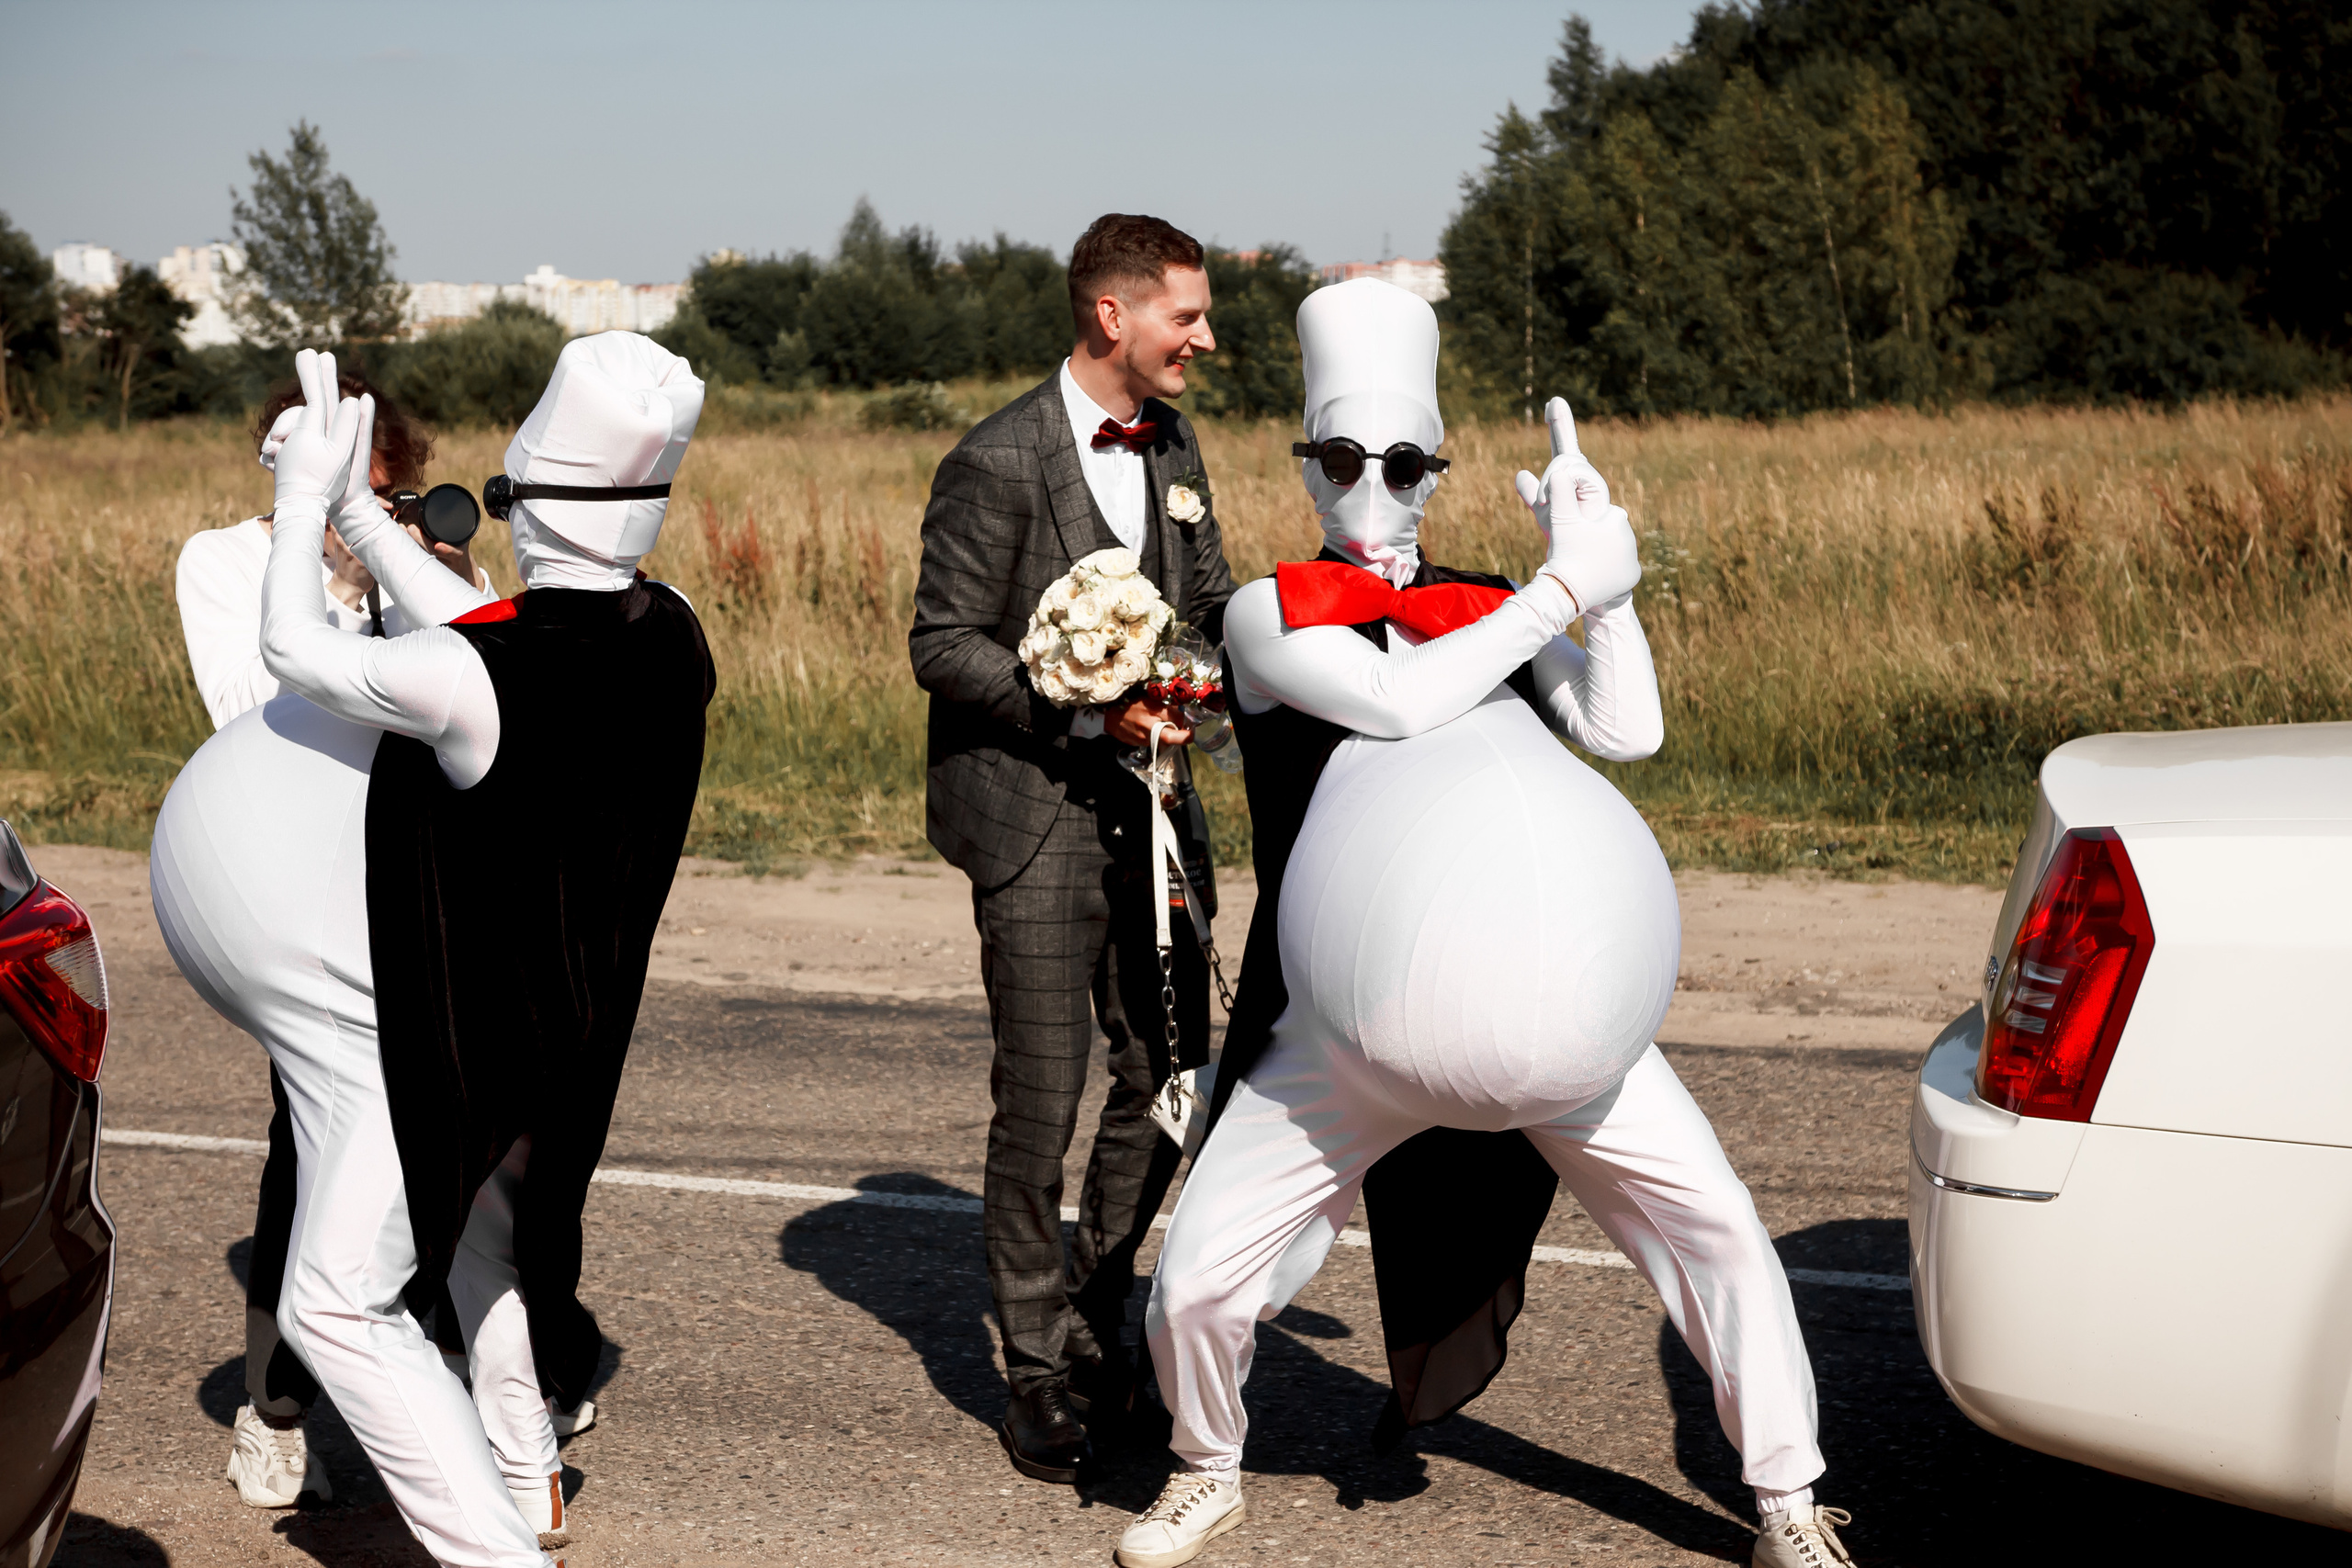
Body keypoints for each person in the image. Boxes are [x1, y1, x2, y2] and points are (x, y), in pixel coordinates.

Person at [1114, 281, 1853, 1568]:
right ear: (1305, 463)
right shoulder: (1266, 611)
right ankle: (1203, 1467)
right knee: (1195, 1281)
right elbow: (1395, 700)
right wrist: (1561, 591)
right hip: (1334, 1020)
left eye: (1403, 464)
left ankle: (1788, 1498)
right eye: (1342, 459)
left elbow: (1626, 730)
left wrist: (1604, 586)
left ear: (1437, 471)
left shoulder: (1491, 601)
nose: (1371, 487)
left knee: (1719, 1230)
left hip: (1565, 1003)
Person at [150, 336, 713, 1566]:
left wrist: (306, 504)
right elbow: (495, 627)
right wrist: (362, 516)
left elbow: (296, 651)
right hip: (564, 1016)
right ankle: (524, 1469)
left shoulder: (473, 677)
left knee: (336, 1297)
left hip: (449, 1009)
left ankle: (490, 1551)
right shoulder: (666, 632)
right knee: (479, 1240)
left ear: (531, 504)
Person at [909, 212, 1238, 1484]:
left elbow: (1204, 605)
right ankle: (1036, 1366)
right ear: (1115, 314)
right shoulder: (995, 460)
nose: (1203, 340)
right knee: (1041, 1098)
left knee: (1171, 1072)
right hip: (1035, 814)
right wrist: (1089, 710)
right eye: (1186, 316)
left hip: (1157, 809)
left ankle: (1099, 1303)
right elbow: (944, 644)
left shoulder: (1175, 443)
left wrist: (1218, 679)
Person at [175, 375, 495, 1510]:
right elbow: (242, 709)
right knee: (311, 1146)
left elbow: (492, 693)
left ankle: (466, 1377)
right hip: (304, 888)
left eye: (384, 485)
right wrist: (342, 598)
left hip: (435, 876)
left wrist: (430, 581)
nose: (368, 505)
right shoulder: (224, 560)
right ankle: (275, 1411)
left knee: (454, 1140)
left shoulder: (414, 559)